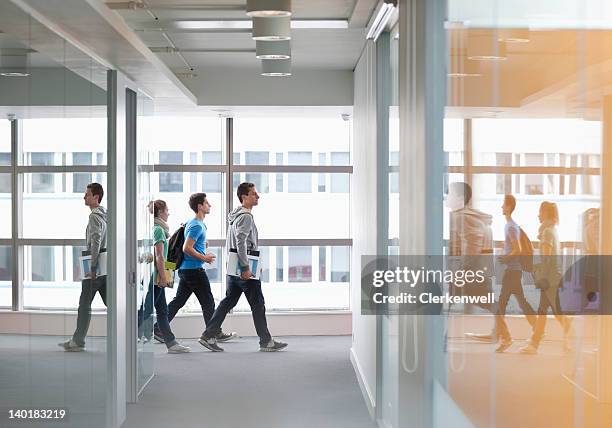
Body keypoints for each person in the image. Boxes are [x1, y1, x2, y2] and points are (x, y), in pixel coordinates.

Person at [199, 183, 287, 352]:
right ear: (244, 197)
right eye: (254, 194)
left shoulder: (235, 216)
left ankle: (208, 335)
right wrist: (246, 267)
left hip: (233, 269)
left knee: (228, 302)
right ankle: (266, 341)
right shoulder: (246, 216)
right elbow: (241, 242)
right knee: (258, 304)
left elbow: (236, 242)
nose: (258, 196)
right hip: (243, 270)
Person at [156, 193, 235, 343]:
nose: (209, 205)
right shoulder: (196, 225)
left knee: (179, 301)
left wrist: (203, 249)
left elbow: (192, 245)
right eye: (206, 203)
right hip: (194, 270)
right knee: (208, 302)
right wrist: (203, 257)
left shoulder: (194, 223)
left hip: (187, 270)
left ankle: (158, 328)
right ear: (200, 206)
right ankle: (213, 333)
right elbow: (187, 248)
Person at [446, 182, 510, 343]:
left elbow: (472, 244)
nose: (447, 197)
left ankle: (504, 336)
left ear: (460, 198)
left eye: (450, 194)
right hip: (480, 268)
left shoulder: (462, 217)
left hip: (472, 270)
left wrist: (460, 271)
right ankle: (501, 334)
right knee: (485, 301)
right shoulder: (472, 217)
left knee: (479, 301)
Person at [59, 183, 107, 352]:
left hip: (95, 263)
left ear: (96, 197)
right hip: (105, 262)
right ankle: (132, 331)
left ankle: (78, 341)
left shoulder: (94, 216)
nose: (84, 197)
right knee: (111, 301)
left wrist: (92, 266)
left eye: (87, 194)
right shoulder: (105, 215)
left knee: (84, 303)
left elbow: (96, 241)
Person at [137, 200, 190, 353]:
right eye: (167, 210)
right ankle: (127, 336)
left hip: (156, 275)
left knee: (162, 311)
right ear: (160, 212)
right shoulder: (158, 230)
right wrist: (163, 277)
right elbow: (160, 256)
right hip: (157, 276)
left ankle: (171, 343)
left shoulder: (154, 229)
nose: (168, 213)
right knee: (147, 310)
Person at [520, 202, 571, 354]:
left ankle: (536, 343)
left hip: (550, 279)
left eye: (540, 211)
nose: (538, 214)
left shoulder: (547, 232)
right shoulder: (552, 230)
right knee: (547, 311)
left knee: (553, 312)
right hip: (553, 277)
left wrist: (539, 275)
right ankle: (535, 343)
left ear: (545, 213)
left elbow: (546, 258)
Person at [495, 194, 536, 353]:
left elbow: (517, 249)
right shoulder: (512, 225)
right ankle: (537, 328)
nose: (501, 207)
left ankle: (506, 339)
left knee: (499, 306)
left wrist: (505, 258)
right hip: (514, 271)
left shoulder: (511, 226)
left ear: (509, 207)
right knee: (522, 302)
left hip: (512, 271)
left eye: (503, 205)